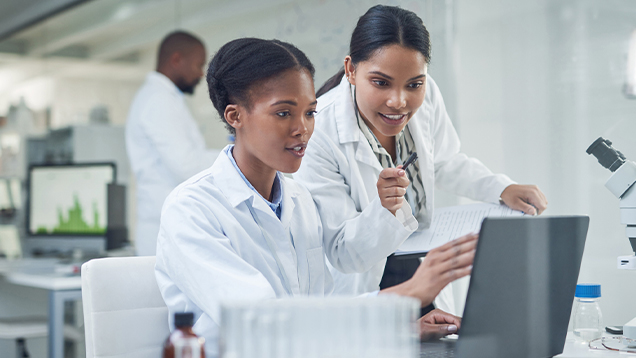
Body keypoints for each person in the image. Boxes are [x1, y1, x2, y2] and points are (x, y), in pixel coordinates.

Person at [155, 37, 477, 357]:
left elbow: (317, 312)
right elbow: (262, 323)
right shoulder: (192, 210)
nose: (302, 129)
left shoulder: (299, 201)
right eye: (284, 114)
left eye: (310, 113)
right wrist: (407, 293)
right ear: (235, 116)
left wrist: (398, 327)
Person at [294, 5, 548, 298]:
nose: (399, 101)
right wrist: (385, 209)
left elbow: (443, 161)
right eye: (381, 83)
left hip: (421, 268)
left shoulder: (428, 95)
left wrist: (501, 188)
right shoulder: (318, 131)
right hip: (365, 287)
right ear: (351, 70)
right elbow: (342, 252)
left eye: (414, 84)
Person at [126, 31, 220, 256]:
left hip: (168, 225)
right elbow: (186, 166)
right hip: (164, 229)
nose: (201, 73)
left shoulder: (163, 98)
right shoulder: (158, 100)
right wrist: (239, 155)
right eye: (199, 65)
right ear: (176, 60)